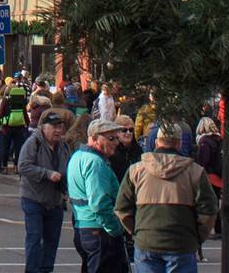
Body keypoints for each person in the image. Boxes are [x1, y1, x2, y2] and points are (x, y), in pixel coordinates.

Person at [116, 123, 218, 273]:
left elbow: (121, 208)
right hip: (182, 243)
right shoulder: (195, 172)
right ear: (179, 143)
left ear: (157, 142)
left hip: (146, 241)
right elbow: (208, 211)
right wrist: (197, 237)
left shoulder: (136, 170)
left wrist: (136, 231)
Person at [67, 118, 128, 273]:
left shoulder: (78, 156)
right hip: (98, 230)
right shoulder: (95, 162)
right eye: (111, 138)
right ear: (94, 138)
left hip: (84, 227)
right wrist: (115, 229)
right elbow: (99, 203)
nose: (116, 142)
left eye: (116, 138)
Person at [17, 110, 73, 273]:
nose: (58, 131)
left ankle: (46, 270)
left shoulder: (63, 146)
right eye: (54, 127)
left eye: (60, 127)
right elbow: (23, 166)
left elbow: (68, 168)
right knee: (34, 238)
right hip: (33, 198)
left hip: (55, 201)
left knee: (52, 240)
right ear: (43, 127)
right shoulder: (33, 142)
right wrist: (47, 174)